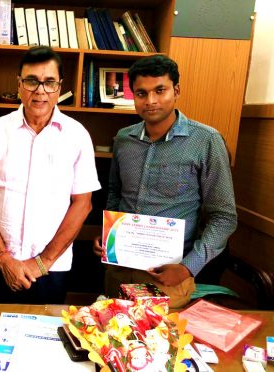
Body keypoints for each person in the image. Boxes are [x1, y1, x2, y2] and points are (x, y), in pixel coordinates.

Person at [93, 55, 237, 307]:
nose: (150, 101)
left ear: (176, 90)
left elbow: (224, 217)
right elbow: (116, 193)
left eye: (160, 90)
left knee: (159, 344)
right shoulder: (123, 140)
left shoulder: (206, 141)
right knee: (110, 340)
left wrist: (187, 268)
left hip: (168, 279)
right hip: (119, 272)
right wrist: (108, 235)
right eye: (141, 93)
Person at [0, 46, 101, 304]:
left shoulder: (77, 135)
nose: (40, 91)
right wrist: (4, 258)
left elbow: (83, 204)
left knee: (42, 339)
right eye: (31, 81)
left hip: (51, 268)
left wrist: (43, 262)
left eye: (49, 82)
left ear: (59, 88)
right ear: (19, 85)